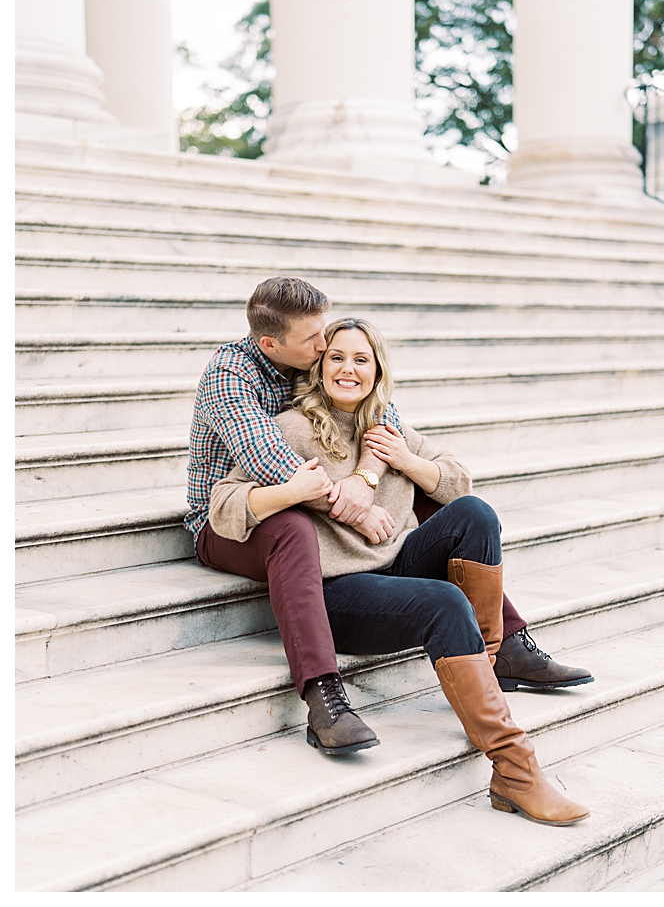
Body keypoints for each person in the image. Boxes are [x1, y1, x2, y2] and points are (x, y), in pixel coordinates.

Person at [187, 277, 592, 756]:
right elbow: (270, 461)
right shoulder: (234, 376)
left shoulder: (315, 363)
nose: (325, 350)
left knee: (457, 508)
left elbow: (382, 417)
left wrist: (377, 472)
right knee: (293, 528)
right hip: (234, 521)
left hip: (320, 495)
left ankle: (506, 644)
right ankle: (323, 697)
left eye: (333, 343)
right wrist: (358, 509)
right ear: (271, 344)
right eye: (320, 346)